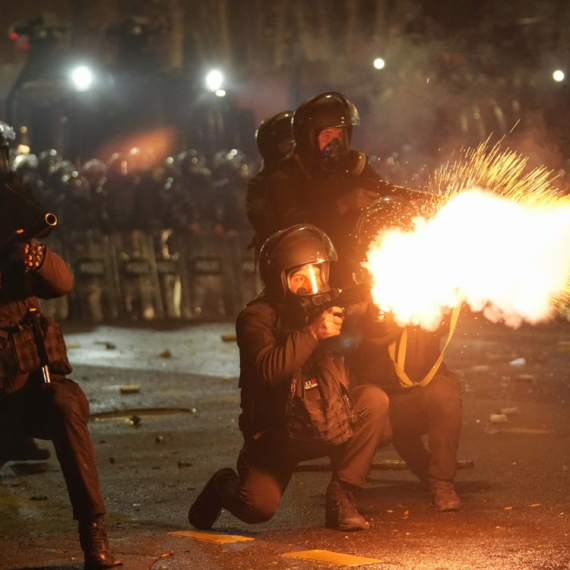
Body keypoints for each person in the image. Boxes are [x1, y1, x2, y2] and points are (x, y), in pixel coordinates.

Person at [188, 224, 391, 531]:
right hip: (278, 435)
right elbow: (270, 370)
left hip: (328, 418)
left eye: (317, 274)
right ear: (279, 280)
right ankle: (221, 485)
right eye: (300, 278)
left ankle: (342, 495)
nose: (312, 286)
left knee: (376, 402)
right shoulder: (255, 318)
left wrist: (377, 319)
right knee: (257, 506)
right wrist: (312, 333)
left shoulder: (330, 307)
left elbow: (366, 344)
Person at [0, 125, 121, 569]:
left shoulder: (14, 212)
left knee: (66, 404)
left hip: (24, 385)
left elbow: (62, 283)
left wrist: (33, 257)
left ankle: (94, 532)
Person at [347, 195, 463, 512]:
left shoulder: (431, 276)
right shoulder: (354, 287)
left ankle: (441, 480)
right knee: (373, 405)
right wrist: (379, 312)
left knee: (445, 391)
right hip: (371, 403)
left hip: (412, 396)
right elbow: (362, 340)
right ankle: (344, 492)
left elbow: (443, 320)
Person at [265, 92, 399, 288]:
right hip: (311, 277)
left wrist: (402, 203)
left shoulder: (355, 167)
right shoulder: (285, 177)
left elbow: (385, 192)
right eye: (327, 136)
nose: (335, 143)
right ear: (308, 137)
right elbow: (291, 226)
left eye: (339, 135)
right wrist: (343, 205)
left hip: (358, 269)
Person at [246, 110, 294, 256]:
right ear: (272, 146)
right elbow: (264, 222)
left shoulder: (310, 175)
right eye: (288, 142)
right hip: (279, 255)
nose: (294, 149)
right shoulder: (259, 184)